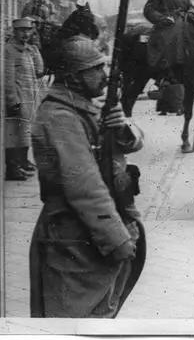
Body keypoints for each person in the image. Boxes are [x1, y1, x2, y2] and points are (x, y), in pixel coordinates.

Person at [30, 36, 144, 317]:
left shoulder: (81, 106)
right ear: (73, 76)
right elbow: (84, 186)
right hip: (75, 238)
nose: (104, 77)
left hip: (91, 235)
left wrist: (122, 128)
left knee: (102, 310)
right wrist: (117, 239)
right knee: (78, 319)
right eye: (96, 69)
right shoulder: (59, 116)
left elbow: (131, 144)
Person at [4, 17, 45, 180]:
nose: (26, 34)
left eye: (29, 31)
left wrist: (36, 50)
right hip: (18, 97)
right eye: (22, 31)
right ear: (15, 32)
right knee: (14, 134)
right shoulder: (9, 50)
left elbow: (39, 71)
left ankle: (22, 162)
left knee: (26, 132)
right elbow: (8, 78)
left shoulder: (29, 49)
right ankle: (13, 168)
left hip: (30, 97)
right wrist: (12, 99)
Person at [143, 0, 194, 82]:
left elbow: (191, 7)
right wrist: (162, 18)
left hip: (184, 21)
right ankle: (167, 68)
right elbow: (148, 10)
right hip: (167, 24)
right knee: (168, 39)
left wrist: (191, 13)